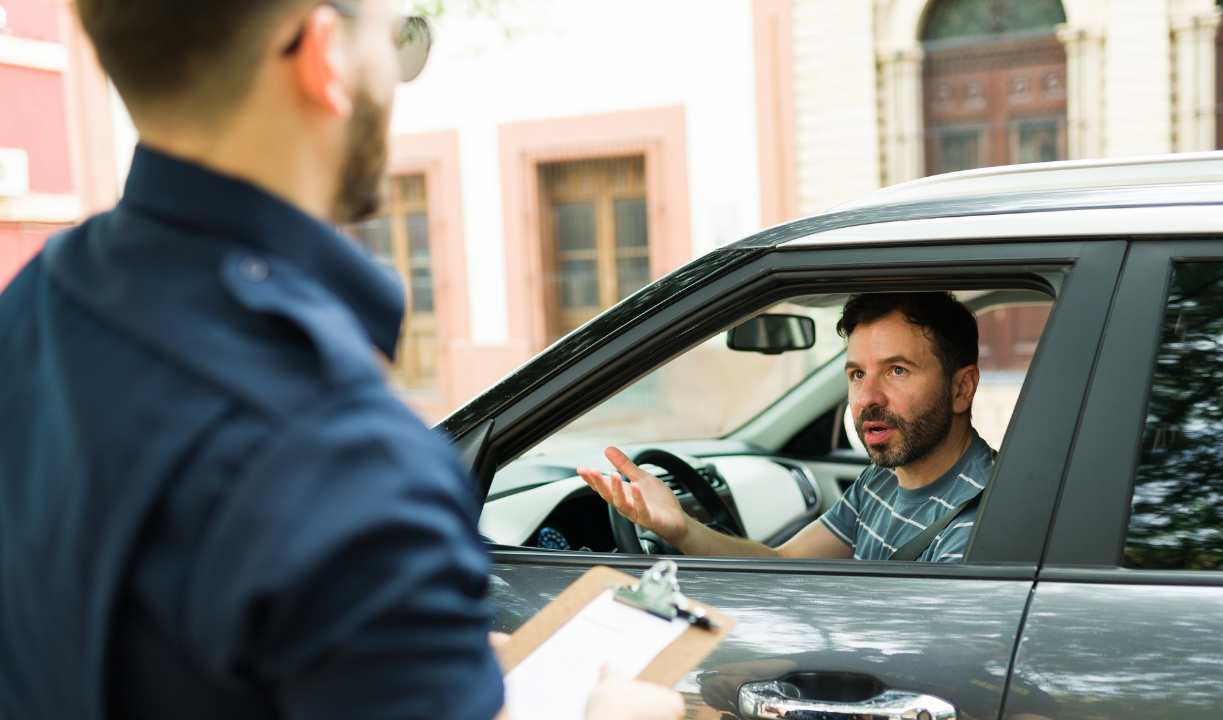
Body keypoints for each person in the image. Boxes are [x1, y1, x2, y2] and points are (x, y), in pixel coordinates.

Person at [0, 1, 681, 719]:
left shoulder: (34, 306)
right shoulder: (344, 455)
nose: (398, 74)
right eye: (399, 38)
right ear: (324, 54)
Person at [579, 292, 994, 562]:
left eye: (897, 370)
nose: (867, 398)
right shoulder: (881, 480)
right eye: (855, 375)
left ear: (962, 388)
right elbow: (782, 564)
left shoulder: (977, 525)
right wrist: (681, 528)